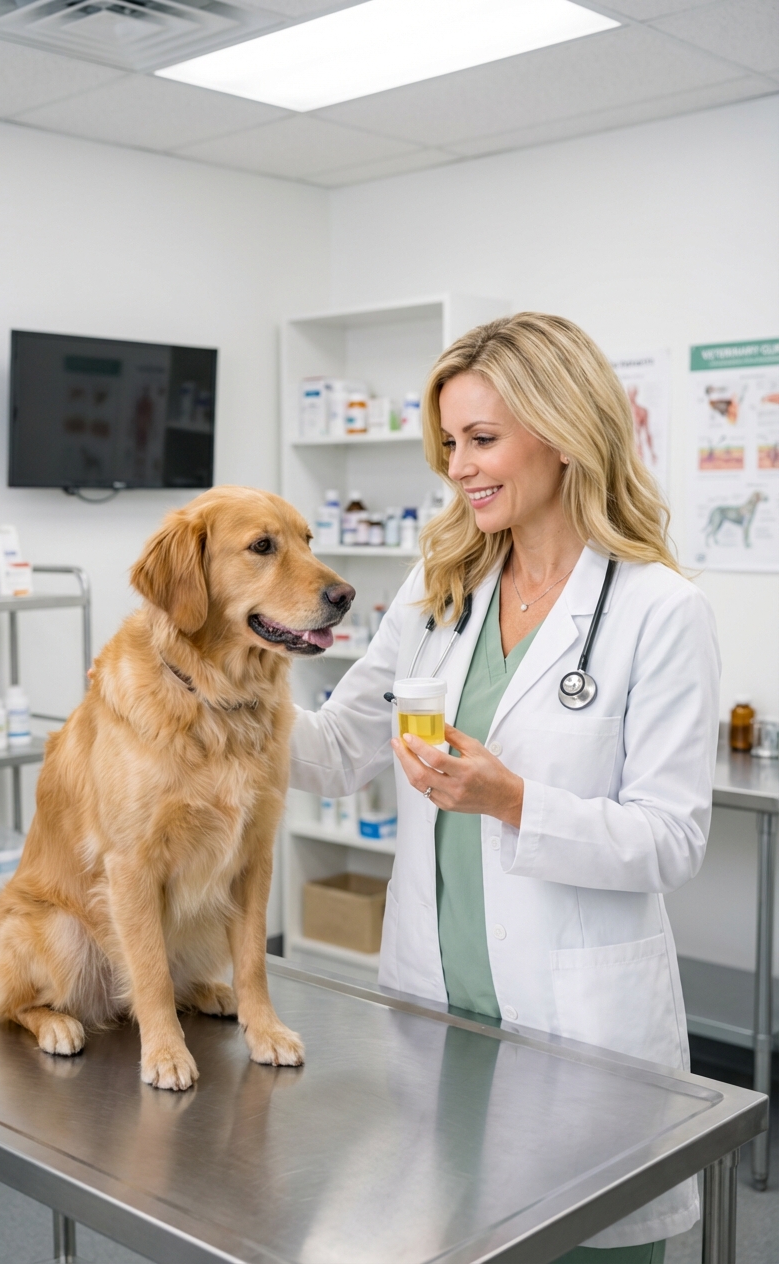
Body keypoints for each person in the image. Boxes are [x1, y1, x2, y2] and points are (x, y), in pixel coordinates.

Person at [289, 313, 720, 1262]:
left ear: (564, 434)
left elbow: (673, 839)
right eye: (450, 443)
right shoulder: (440, 586)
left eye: (482, 440)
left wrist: (514, 799)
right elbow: (330, 752)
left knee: (586, 1242)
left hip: (578, 1030)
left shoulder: (659, 611)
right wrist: (207, 692)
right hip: (434, 1011)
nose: (460, 468)